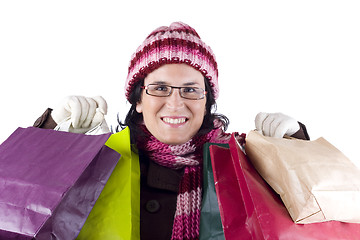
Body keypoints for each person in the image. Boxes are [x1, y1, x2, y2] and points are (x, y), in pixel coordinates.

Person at [34, 22, 309, 240]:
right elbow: (22, 208)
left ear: (207, 102)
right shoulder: (104, 163)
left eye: (190, 90)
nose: (175, 104)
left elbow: (316, 210)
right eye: (160, 88)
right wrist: (57, 140)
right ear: (138, 100)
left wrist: (294, 146)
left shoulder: (244, 163)